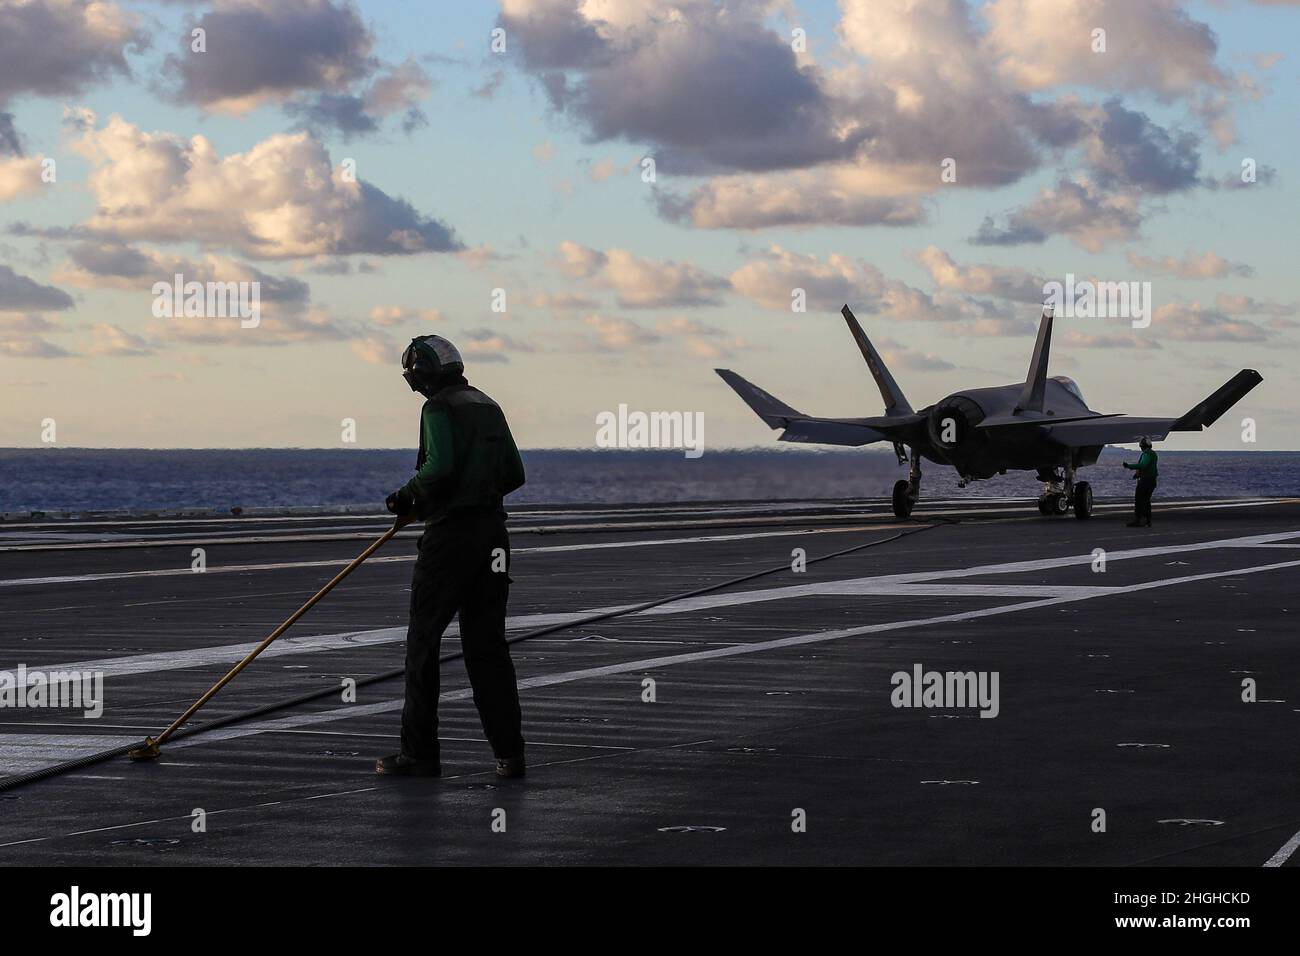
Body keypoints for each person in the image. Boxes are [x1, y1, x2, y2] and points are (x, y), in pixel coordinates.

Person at [377, 334, 528, 779]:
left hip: (450, 540)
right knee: (487, 648)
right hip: (493, 536)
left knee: (423, 644)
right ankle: (509, 754)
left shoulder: (438, 407)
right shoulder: (488, 404)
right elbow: (515, 474)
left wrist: (406, 497)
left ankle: (419, 754)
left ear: (420, 374)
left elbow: (438, 467)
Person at [1122, 437, 1158, 528]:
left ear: (1142, 446)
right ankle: (1147, 520)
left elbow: (1143, 465)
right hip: (1152, 481)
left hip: (1145, 481)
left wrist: (1129, 466)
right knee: (1146, 501)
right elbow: (1149, 467)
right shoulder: (1153, 454)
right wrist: (1137, 474)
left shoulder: (1146, 454)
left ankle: (1139, 520)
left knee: (1139, 501)